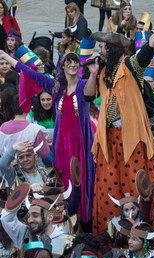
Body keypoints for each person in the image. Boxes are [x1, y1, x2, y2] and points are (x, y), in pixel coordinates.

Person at [85, 15, 154, 234]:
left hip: (131, 137)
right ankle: (109, 232)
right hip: (109, 139)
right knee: (108, 185)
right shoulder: (103, 72)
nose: (99, 49)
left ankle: (142, 230)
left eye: (103, 46)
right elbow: (88, 96)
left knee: (136, 182)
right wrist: (93, 74)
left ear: (112, 49)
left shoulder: (130, 65)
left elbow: (148, 48)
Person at [0, 51, 95, 225]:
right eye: (69, 62)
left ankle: (83, 223)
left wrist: (94, 73)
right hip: (61, 147)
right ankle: (62, 221)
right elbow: (29, 73)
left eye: (75, 62)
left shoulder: (83, 84)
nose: (73, 64)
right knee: (64, 184)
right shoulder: (55, 87)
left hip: (80, 144)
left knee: (82, 182)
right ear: (62, 66)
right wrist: (6, 57)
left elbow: (90, 94)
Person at [1, 193, 71, 258]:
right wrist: (18, 199)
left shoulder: (67, 241)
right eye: (29, 215)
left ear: (49, 217)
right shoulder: (24, 234)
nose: (29, 220)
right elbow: (5, 219)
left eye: (35, 215)